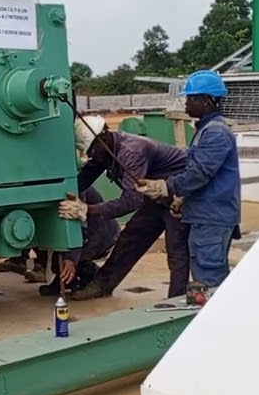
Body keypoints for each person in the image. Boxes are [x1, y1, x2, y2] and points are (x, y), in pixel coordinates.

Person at [137, 70, 241, 304]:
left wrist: (167, 186)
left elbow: (200, 173)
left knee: (209, 280)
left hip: (211, 218)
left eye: (190, 98)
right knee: (206, 276)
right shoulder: (207, 130)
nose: (186, 102)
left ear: (205, 101)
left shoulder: (215, 133)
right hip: (207, 215)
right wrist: (183, 200)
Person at [60, 114, 190, 301]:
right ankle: (101, 285)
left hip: (179, 199)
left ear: (102, 139)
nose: (90, 156)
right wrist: (61, 193)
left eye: (90, 150)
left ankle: (176, 301)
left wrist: (87, 210)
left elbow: (132, 200)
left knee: (176, 251)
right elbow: (84, 179)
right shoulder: (104, 150)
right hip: (155, 199)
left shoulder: (131, 152)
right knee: (130, 239)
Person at [37, 186, 120, 297]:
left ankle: (92, 276)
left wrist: (71, 258)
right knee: (55, 255)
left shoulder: (75, 187)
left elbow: (79, 227)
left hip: (101, 235)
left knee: (70, 258)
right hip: (92, 232)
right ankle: (67, 279)